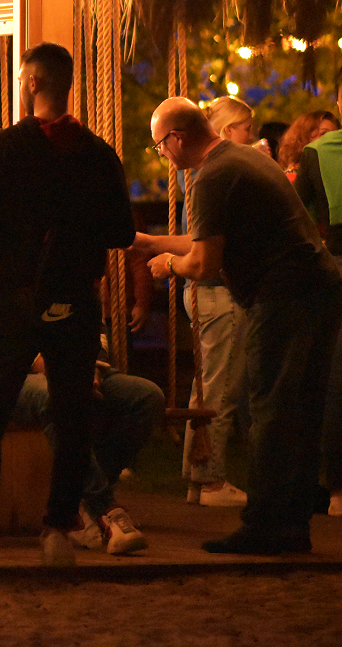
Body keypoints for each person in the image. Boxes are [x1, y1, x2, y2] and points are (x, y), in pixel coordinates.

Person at [0, 42, 134, 568]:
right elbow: (121, 230)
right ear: (67, 84)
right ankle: (56, 532)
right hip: (75, 300)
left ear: (30, 83)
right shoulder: (97, 154)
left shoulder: (5, 149)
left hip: (14, 299)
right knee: (74, 416)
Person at [141, 98, 342, 554]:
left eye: (159, 146)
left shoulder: (211, 176)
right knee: (301, 408)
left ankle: (264, 525)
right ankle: (293, 524)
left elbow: (204, 262)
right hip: (319, 288)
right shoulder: (241, 159)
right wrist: (152, 241)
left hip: (286, 295)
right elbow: (208, 238)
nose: (162, 155)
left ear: (177, 138)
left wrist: (167, 265)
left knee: (271, 407)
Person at [173, 95, 257, 508]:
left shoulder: (197, 177)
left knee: (206, 387)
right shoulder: (217, 176)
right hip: (218, 292)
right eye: (247, 129)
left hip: (204, 294)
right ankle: (211, 481)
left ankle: (197, 476)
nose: (251, 138)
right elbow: (207, 249)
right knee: (221, 389)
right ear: (226, 131)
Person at [12, 344, 164, 556]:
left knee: (147, 397)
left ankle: (81, 500)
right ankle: (105, 509)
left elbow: (95, 337)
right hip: (13, 374)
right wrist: (59, 368)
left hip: (72, 368)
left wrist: (89, 368)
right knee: (56, 396)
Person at [291, 92, 342, 518]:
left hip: (335, 265)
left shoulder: (319, 154)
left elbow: (298, 219)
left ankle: (335, 486)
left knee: (334, 378)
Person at [276, 109, 339, 180]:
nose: (331, 140)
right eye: (324, 134)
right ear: (303, 138)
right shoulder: (292, 178)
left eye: (335, 136)